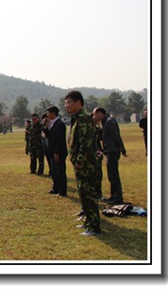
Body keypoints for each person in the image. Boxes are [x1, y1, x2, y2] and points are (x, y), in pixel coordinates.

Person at [65, 90, 101, 236]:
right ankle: (88, 221)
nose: (67, 106)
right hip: (80, 165)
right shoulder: (76, 118)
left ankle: (94, 227)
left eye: (69, 103)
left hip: (86, 165)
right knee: (83, 194)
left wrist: (79, 160)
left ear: (78, 102)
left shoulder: (84, 118)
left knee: (89, 195)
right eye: (65, 103)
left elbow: (86, 143)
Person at [92, 107, 128, 205]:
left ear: (100, 113)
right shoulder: (105, 122)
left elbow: (116, 136)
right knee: (111, 175)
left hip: (112, 151)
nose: (94, 116)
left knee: (113, 175)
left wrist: (122, 149)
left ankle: (117, 198)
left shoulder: (109, 122)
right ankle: (114, 196)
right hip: (109, 150)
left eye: (95, 114)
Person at [44, 106, 68, 197]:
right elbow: (48, 136)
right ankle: (55, 188)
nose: (47, 115)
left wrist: (57, 152)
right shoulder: (52, 123)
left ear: (53, 113)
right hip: (52, 151)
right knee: (54, 171)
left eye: (48, 113)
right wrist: (46, 126)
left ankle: (62, 191)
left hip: (58, 152)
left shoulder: (60, 124)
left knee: (60, 172)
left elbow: (60, 140)